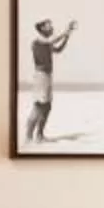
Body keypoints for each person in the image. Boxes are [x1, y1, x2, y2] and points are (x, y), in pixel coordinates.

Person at [24, 17, 78, 145]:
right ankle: (28, 137)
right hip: (41, 76)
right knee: (38, 106)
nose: (51, 27)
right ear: (42, 28)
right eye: (49, 25)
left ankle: (39, 135)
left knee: (47, 107)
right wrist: (66, 30)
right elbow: (51, 40)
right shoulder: (38, 41)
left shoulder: (46, 42)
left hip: (47, 76)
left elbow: (58, 50)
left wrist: (67, 37)